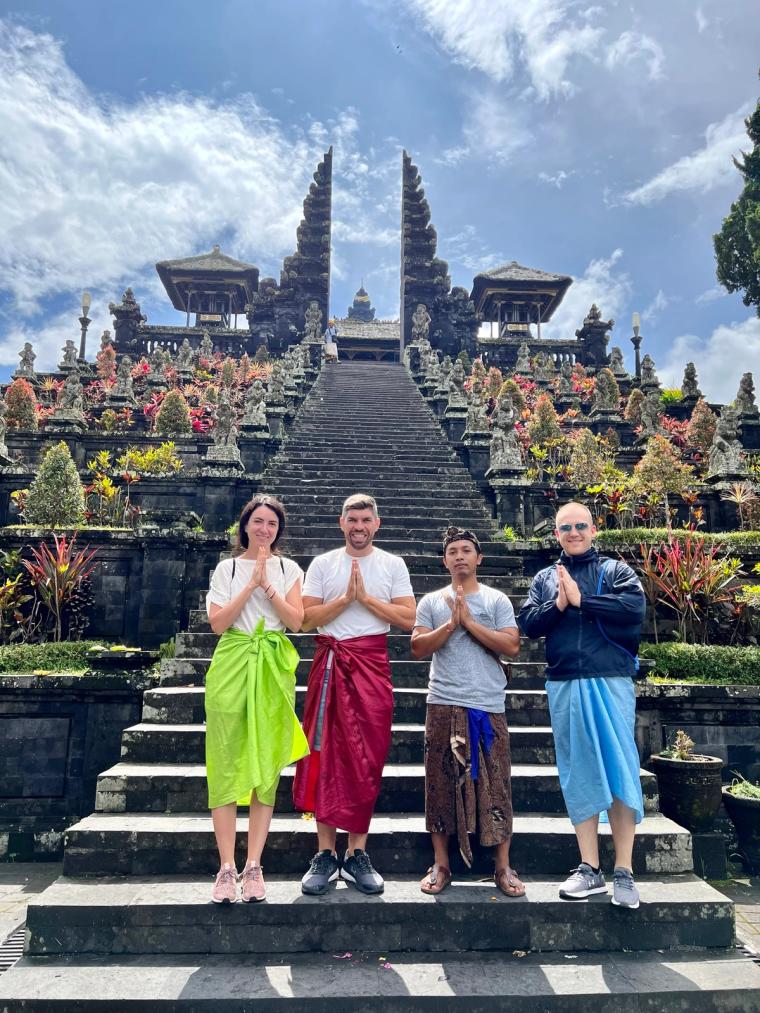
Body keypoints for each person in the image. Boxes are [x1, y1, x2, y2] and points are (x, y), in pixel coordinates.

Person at [518, 501, 646, 909]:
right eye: (565, 528)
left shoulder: (614, 571)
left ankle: (624, 870)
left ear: (593, 530)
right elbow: (528, 624)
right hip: (565, 681)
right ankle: (590, 867)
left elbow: (634, 609)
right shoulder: (545, 579)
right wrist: (559, 603)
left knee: (620, 769)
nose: (573, 533)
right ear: (556, 534)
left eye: (580, 526)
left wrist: (582, 601)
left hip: (609, 679)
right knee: (579, 773)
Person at [293, 493, 416, 895]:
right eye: (352, 520)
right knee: (323, 754)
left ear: (376, 524)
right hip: (330, 663)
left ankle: (356, 853)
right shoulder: (324, 564)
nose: (359, 527)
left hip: (371, 664)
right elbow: (306, 619)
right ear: (341, 523)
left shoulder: (392, 564)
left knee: (367, 758)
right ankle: (325, 854)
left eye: (366, 520)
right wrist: (346, 599)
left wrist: (366, 599)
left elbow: (408, 618)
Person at [205, 495, 309, 904]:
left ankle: (253, 865)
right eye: (258, 522)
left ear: (278, 530)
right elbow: (218, 624)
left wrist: (267, 583)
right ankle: (226, 867)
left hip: (271, 667)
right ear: (245, 525)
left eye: (272, 524)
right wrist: (250, 583)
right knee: (225, 761)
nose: (265, 529)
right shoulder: (227, 568)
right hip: (232, 663)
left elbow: (296, 621)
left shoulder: (289, 569)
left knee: (266, 766)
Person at [411, 527, 523, 897]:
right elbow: (417, 647)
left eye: (466, 550)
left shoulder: (495, 600)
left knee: (496, 784)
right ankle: (441, 864)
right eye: (453, 552)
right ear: (445, 561)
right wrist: (451, 623)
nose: (459, 556)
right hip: (443, 702)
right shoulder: (431, 602)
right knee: (439, 784)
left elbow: (512, 646)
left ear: (479, 558)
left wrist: (470, 623)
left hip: (487, 705)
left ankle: (502, 866)